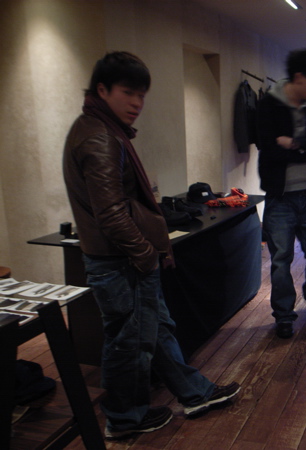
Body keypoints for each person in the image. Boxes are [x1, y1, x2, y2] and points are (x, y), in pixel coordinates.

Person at [62, 51, 240, 440]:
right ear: (102, 90)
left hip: (121, 258)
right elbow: (111, 213)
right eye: (128, 92)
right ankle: (124, 418)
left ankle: (194, 394)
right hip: (120, 260)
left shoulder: (99, 128)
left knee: (154, 330)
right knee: (129, 343)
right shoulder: (100, 137)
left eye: (141, 95)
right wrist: (145, 255)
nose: (137, 103)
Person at [257, 48, 306, 339]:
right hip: (280, 199)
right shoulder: (268, 105)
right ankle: (284, 315)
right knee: (280, 262)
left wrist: (293, 143)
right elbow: (268, 148)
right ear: (299, 76)